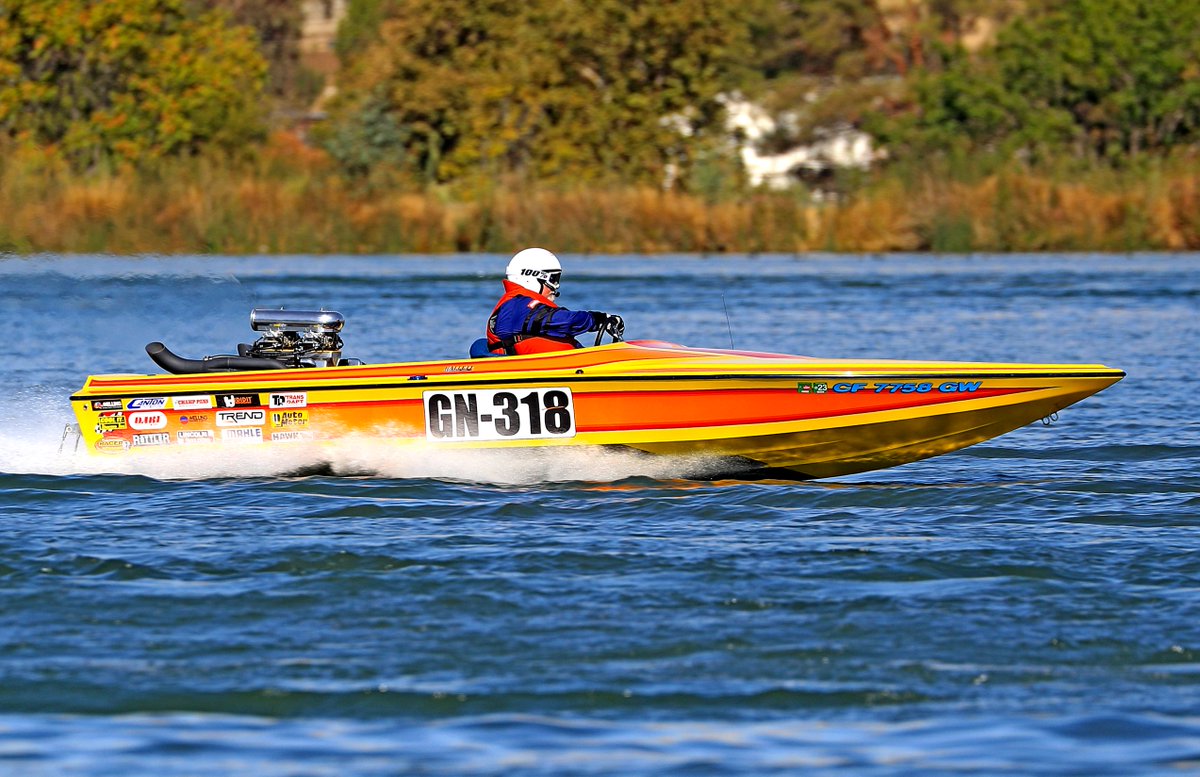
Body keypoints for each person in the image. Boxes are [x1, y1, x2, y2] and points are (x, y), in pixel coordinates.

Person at [486, 248, 624, 355]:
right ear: (531, 277)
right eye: (553, 280)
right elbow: (565, 321)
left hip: (561, 369)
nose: (556, 287)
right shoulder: (517, 307)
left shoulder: (519, 305)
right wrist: (597, 319)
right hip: (546, 373)